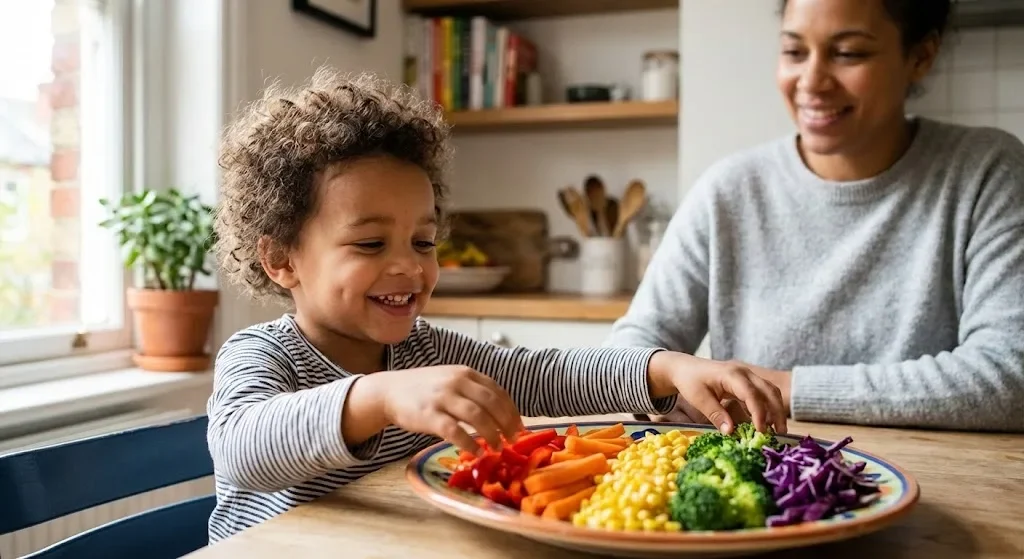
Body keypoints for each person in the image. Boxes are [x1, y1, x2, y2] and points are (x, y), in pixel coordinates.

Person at [205, 68, 787, 541]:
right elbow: (240, 446)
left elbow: (549, 375)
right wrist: (379, 397)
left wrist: (669, 368)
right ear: (281, 259)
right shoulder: (262, 355)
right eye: (370, 243)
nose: (409, 265)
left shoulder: (422, 349)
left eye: (424, 241)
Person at [607, 0, 1024, 433]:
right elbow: (625, 358)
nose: (811, 81)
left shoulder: (988, 171)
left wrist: (783, 389)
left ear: (920, 56)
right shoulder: (729, 189)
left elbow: (1010, 372)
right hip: (767, 485)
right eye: (794, 52)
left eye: (848, 54)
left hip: (944, 483)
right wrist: (667, 378)